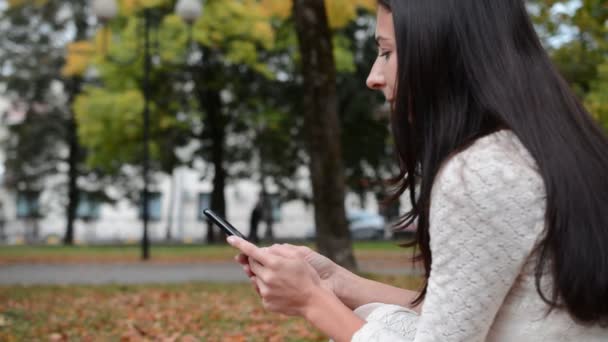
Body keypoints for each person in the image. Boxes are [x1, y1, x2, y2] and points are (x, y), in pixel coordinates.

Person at [227, 0, 608, 341]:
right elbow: (461, 316)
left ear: (441, 56)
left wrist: (312, 301)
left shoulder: (479, 172)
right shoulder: (552, 148)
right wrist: (336, 282)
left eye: (387, 52)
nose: (374, 76)